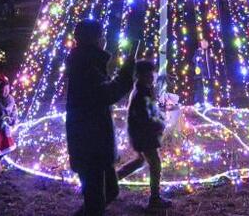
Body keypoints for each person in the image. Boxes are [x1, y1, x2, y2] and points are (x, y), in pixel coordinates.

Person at [66, 18, 134, 216]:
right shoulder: (85, 65)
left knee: (110, 191)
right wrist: (126, 73)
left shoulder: (89, 62)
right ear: (94, 39)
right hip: (89, 142)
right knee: (96, 199)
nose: (104, 39)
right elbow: (106, 94)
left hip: (95, 140)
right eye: (101, 35)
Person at [117, 60, 172, 211]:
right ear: (141, 75)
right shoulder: (142, 92)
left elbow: (150, 112)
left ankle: (109, 182)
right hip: (143, 135)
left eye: (152, 73)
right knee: (155, 164)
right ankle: (154, 199)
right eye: (149, 74)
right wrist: (159, 124)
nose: (152, 76)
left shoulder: (144, 90)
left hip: (140, 134)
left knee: (140, 160)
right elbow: (146, 116)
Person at [0, 74, 18, 173]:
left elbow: (12, 111)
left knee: (5, 147)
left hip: (4, 128)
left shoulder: (10, 99)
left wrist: (12, 120)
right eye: (2, 89)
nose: (5, 91)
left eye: (7, 88)